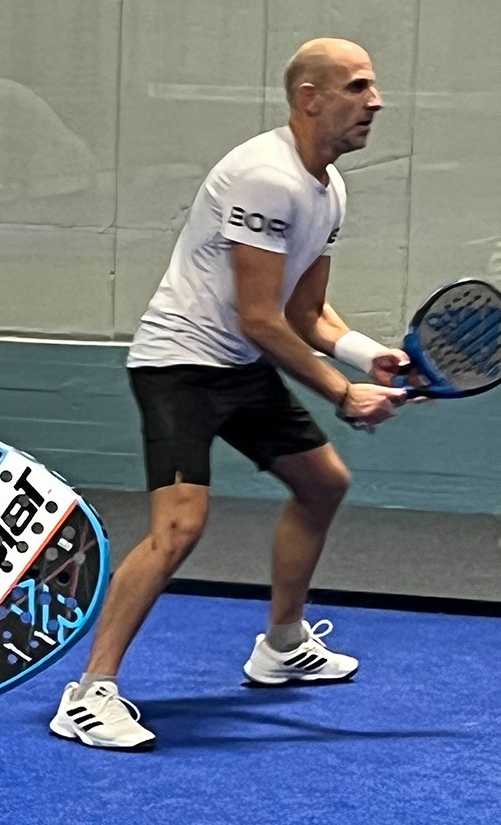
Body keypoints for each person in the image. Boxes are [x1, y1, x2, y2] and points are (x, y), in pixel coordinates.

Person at [50, 37, 413, 751]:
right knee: (181, 526)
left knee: (322, 484)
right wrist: (344, 395)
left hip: (240, 363)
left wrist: (374, 360)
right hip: (178, 364)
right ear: (310, 97)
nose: (376, 101)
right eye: (358, 87)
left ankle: (281, 645)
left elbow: (307, 314)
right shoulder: (265, 177)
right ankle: (88, 693)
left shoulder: (328, 188)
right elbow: (259, 316)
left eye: (373, 88)